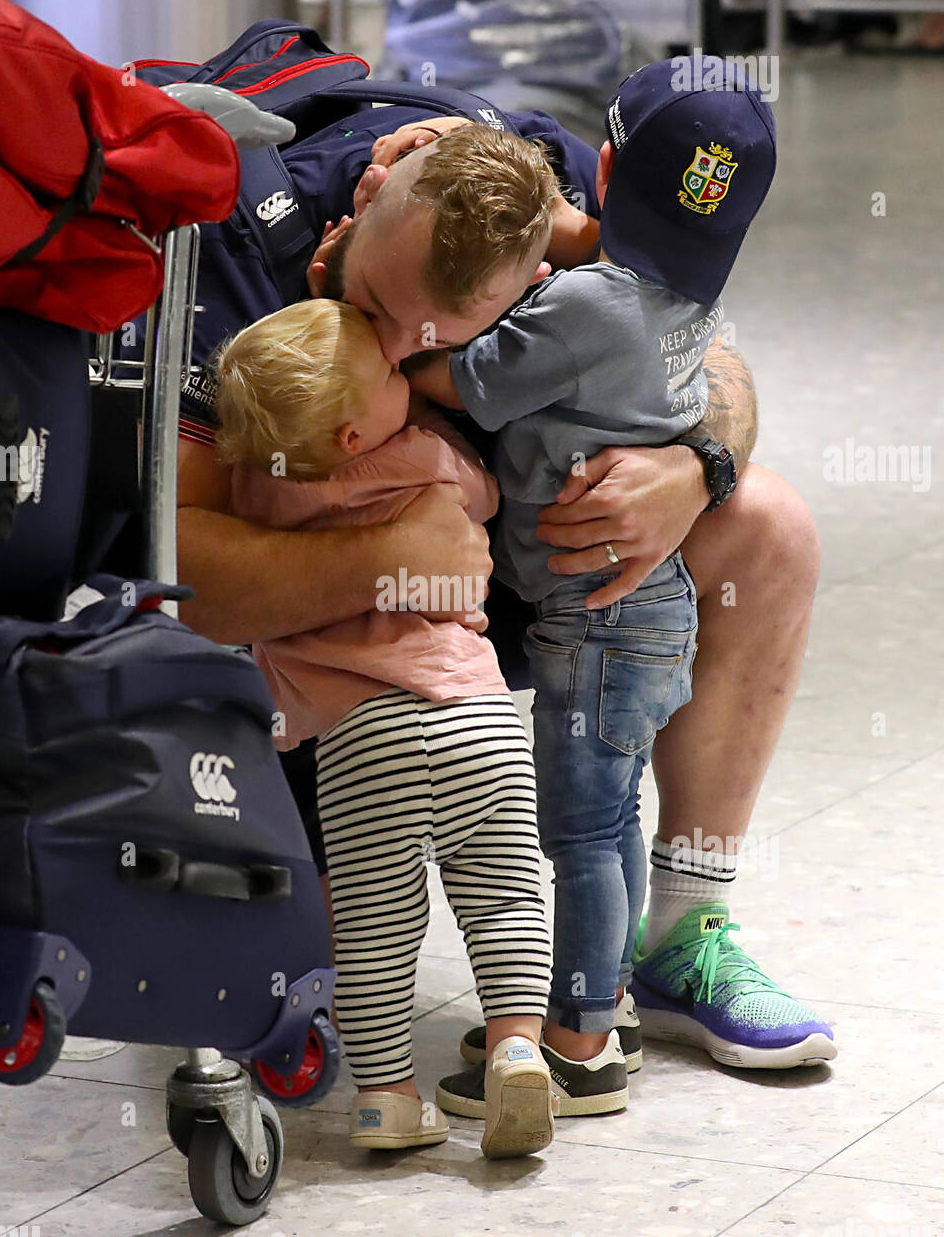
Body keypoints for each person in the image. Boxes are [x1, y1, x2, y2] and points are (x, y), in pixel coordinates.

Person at [175, 90, 823, 1073]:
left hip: (526, 567)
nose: (395, 355)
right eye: (377, 313)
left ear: (538, 264)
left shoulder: (542, 194)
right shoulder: (222, 234)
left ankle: (680, 932)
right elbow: (175, 559)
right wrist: (383, 561)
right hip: (310, 638)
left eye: (436, 340)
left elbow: (709, 361)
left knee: (767, 524)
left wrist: (694, 474)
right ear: (371, 186)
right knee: (321, 939)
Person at [407, 62, 836, 1121]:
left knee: (583, 831)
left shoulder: (589, 300)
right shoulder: (688, 295)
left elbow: (464, 382)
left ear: (599, 170)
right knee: (608, 820)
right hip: (650, 616)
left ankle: (579, 1038)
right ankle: (605, 1000)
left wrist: (389, 338)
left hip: (584, 619)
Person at [215, 297, 556, 1159]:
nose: (404, 375)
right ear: (354, 438)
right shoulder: (427, 459)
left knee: (372, 925)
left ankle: (385, 1099)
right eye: (391, 376)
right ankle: (517, 1048)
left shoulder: (259, 493)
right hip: (475, 715)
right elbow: (484, 495)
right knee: (506, 892)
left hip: (364, 746)